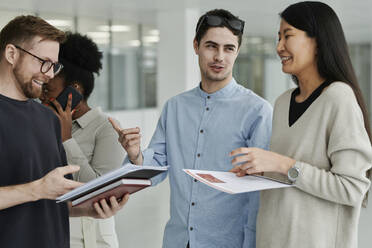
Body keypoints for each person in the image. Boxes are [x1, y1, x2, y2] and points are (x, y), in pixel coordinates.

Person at [110, 9, 272, 248]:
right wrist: (136, 154)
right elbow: (157, 168)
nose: (219, 57)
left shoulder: (257, 111)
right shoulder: (174, 108)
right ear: (196, 46)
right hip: (178, 240)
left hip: (229, 242)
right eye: (211, 46)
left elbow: (260, 192)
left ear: (237, 52)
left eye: (229, 49)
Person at [230, 2, 372, 248]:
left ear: (318, 42)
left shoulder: (338, 97)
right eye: (278, 37)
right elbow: (290, 177)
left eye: (288, 36)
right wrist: (260, 171)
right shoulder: (283, 102)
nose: (279, 47)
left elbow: (351, 188)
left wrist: (282, 164)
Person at [0, 15, 128, 248]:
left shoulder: (49, 119)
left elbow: (57, 200)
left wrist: (90, 209)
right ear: (11, 54)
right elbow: (40, 191)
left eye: (54, 65)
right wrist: (36, 189)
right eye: (43, 61)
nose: (49, 73)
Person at [40, 32, 126, 248]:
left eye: (48, 89)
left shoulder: (106, 129)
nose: (41, 96)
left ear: (73, 92)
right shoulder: (44, 124)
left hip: (91, 240)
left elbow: (100, 189)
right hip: (50, 232)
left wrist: (66, 139)